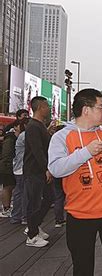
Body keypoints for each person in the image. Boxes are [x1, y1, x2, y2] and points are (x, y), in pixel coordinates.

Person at [48, 88, 102, 275]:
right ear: (86, 110)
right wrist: (86, 152)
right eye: (100, 107)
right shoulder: (61, 137)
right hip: (80, 214)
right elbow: (56, 169)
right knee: (83, 266)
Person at [24, 97, 54, 247]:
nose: (48, 109)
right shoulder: (33, 126)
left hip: (40, 170)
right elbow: (37, 150)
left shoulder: (39, 126)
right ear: (40, 107)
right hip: (34, 171)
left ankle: (34, 226)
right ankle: (32, 235)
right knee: (34, 203)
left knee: (49, 198)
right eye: (47, 106)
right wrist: (46, 169)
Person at [0, 121, 22, 218]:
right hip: (7, 166)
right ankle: (6, 208)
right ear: (16, 127)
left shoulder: (15, 137)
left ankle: (7, 207)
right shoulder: (10, 138)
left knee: (11, 186)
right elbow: (7, 154)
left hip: (11, 166)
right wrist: (9, 165)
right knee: (7, 187)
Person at [10, 118, 29, 224]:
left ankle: (17, 216)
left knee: (19, 193)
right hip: (22, 168)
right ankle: (22, 216)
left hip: (18, 168)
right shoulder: (25, 135)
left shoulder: (22, 135)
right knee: (24, 193)